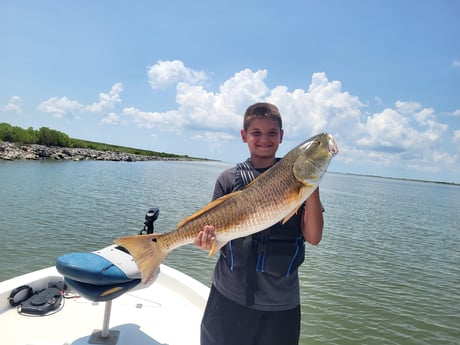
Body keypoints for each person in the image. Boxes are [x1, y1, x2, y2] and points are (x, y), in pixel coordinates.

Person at [194, 102, 324, 345]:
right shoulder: (227, 179)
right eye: (256, 133)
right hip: (228, 296)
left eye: (272, 133)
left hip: (280, 303)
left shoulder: (297, 178)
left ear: (281, 136)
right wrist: (207, 241)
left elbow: (314, 237)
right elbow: (217, 238)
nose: (264, 139)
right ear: (244, 136)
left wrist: (311, 187)